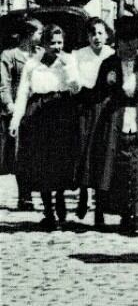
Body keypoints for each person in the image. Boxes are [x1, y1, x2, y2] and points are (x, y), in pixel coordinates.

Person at [87, 16, 138, 236]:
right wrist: (108, 84)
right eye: (125, 41)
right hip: (116, 118)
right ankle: (125, 213)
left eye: (133, 40)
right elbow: (97, 94)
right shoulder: (109, 64)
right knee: (119, 165)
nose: (129, 45)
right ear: (118, 42)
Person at [9, 24, 82, 229]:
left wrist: (68, 68)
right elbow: (23, 92)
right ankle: (48, 211)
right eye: (52, 43)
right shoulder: (32, 65)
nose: (57, 47)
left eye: (60, 42)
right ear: (44, 44)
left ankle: (60, 200)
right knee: (41, 162)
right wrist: (16, 120)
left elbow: (76, 88)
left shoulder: (69, 60)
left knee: (61, 160)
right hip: (39, 114)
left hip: (62, 111)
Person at [73, 17, 115, 226]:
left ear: (106, 35)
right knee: (85, 153)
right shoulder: (79, 55)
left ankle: (100, 209)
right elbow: (75, 81)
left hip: (106, 109)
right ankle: (83, 194)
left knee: (103, 156)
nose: (96, 37)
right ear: (87, 36)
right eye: (92, 33)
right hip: (86, 108)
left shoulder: (112, 55)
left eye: (100, 33)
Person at [1, 18, 42, 211]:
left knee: (37, 154)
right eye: (39, 33)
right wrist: (9, 104)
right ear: (29, 34)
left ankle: (40, 192)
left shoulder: (41, 55)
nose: (42, 36)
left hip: (38, 110)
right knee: (20, 155)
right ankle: (24, 196)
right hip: (17, 110)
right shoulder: (9, 56)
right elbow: (3, 82)